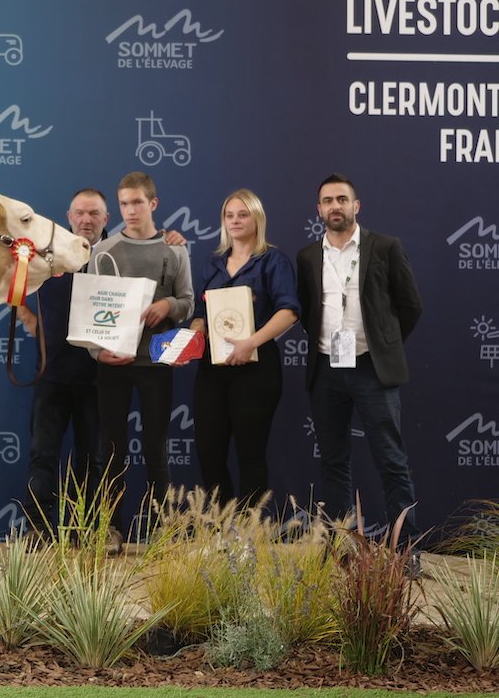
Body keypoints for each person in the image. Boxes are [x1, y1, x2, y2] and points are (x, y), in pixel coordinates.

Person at [17, 188, 188, 540]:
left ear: (106, 219)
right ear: (68, 216)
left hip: (99, 375)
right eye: (80, 213)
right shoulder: (48, 252)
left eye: (94, 213)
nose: (86, 220)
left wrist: (170, 240)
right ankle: (37, 528)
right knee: (42, 454)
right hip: (52, 372)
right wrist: (29, 319)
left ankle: (89, 528)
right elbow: (14, 282)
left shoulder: (116, 252)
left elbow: (159, 264)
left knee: (95, 459)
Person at [296, 174, 423, 570]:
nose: (335, 206)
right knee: (333, 463)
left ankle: (406, 552)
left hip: (372, 369)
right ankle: (339, 547)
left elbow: (410, 306)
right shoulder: (307, 257)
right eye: (327, 201)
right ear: (318, 210)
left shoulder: (384, 247)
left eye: (342, 199)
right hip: (326, 370)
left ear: (356, 206)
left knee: (391, 461)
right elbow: (305, 310)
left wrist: (383, 345)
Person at [91, 171, 193, 548]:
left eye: (137, 202)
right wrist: (96, 352)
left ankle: (162, 530)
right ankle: (111, 528)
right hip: (113, 363)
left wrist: (168, 305)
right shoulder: (103, 251)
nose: (130, 210)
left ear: (153, 203)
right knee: (112, 449)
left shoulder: (175, 249)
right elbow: (91, 311)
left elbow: (188, 302)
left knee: (156, 447)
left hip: (157, 362)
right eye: (124, 204)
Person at [189, 189, 299, 508]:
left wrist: (251, 342)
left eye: (243, 214)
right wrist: (195, 331)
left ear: (257, 218)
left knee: (250, 454)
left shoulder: (273, 260)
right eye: (229, 215)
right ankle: (220, 526)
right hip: (212, 368)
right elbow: (201, 313)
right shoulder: (213, 263)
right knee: (209, 452)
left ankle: (249, 532)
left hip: (256, 368)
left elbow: (289, 311)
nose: (235, 220)